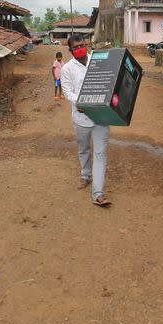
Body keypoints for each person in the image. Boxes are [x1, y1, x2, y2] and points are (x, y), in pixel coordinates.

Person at [60, 34, 111, 206]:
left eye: (82, 44)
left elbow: (108, 82)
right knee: (84, 149)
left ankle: (98, 192)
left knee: (100, 153)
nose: (80, 48)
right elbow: (67, 92)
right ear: (70, 50)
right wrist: (81, 102)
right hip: (81, 117)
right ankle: (85, 174)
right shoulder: (67, 69)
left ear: (87, 45)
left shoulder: (99, 62)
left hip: (101, 116)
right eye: (76, 47)